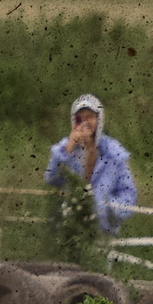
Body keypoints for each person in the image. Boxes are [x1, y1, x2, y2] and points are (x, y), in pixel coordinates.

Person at [45, 95, 139, 237]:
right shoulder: (64, 148)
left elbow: (129, 194)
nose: (85, 122)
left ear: (99, 120)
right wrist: (66, 152)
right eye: (80, 118)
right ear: (73, 121)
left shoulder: (114, 153)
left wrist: (106, 208)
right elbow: (50, 179)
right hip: (68, 228)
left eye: (90, 117)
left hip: (102, 232)